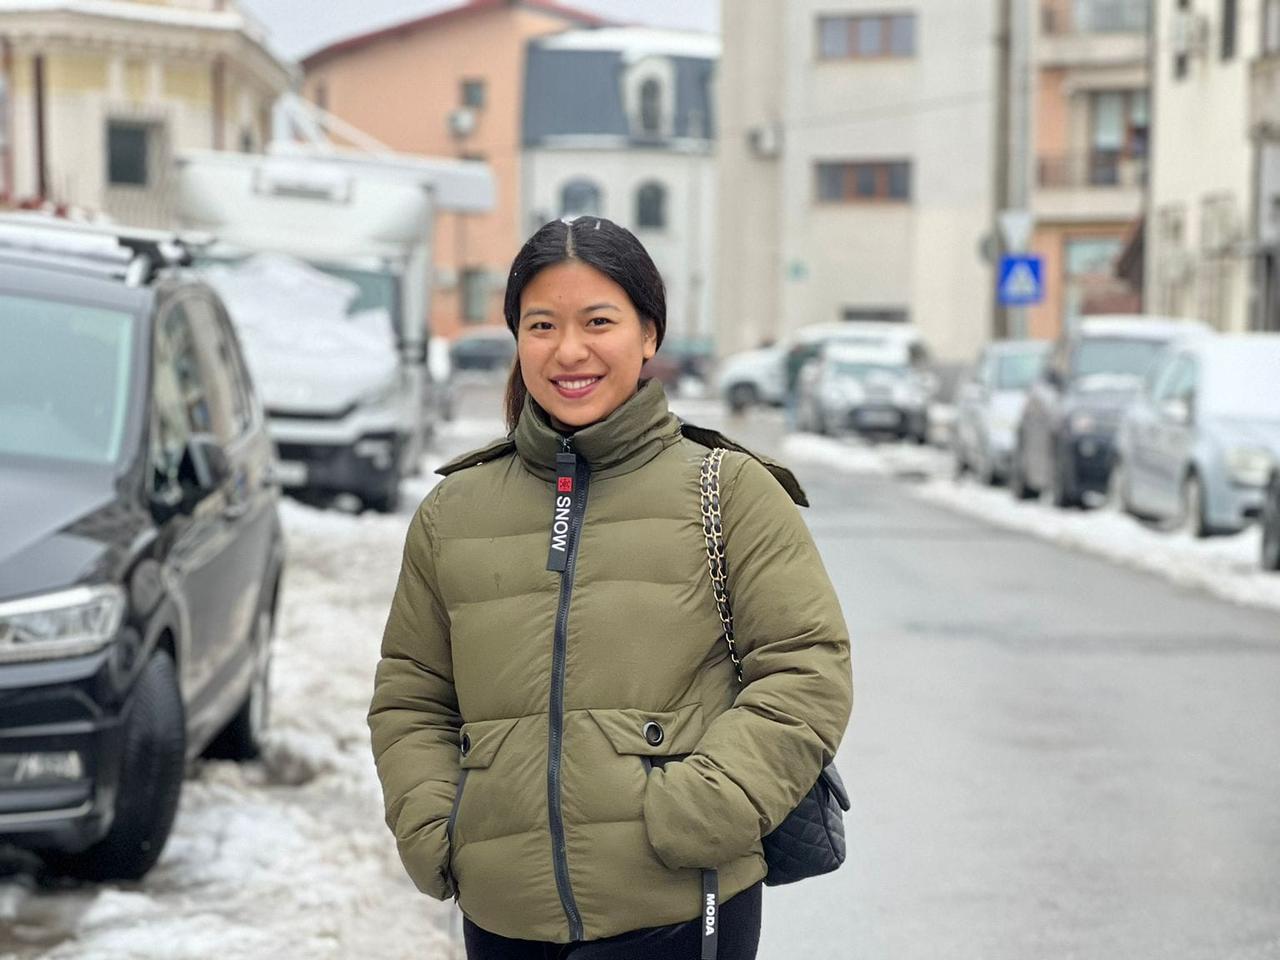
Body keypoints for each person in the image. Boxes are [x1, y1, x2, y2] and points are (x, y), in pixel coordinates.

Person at [369, 217, 852, 960]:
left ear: (649, 334)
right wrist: (440, 824)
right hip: (505, 918)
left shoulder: (729, 490)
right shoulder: (453, 513)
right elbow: (412, 693)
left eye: (599, 321)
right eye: (542, 325)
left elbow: (806, 668)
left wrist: (707, 807)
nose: (569, 351)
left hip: (682, 905)